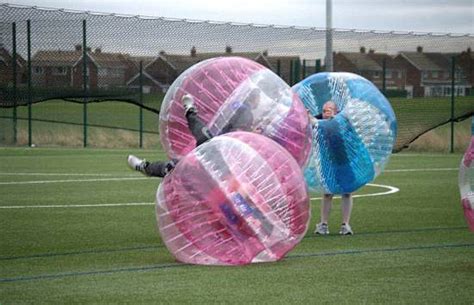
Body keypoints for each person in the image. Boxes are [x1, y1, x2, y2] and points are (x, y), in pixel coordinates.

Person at [127, 94, 212, 177]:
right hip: (216, 162)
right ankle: (190, 112)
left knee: (175, 168)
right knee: (206, 140)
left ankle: (146, 167)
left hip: (216, 179)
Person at [310, 101, 354, 235]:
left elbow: (346, 125)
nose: (326, 113)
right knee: (327, 193)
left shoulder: (341, 121)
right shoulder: (319, 120)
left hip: (344, 160)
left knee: (347, 192)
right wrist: (305, 115)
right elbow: (312, 121)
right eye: (324, 110)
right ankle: (323, 224)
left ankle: (345, 224)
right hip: (327, 163)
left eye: (329, 110)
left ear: (336, 111)